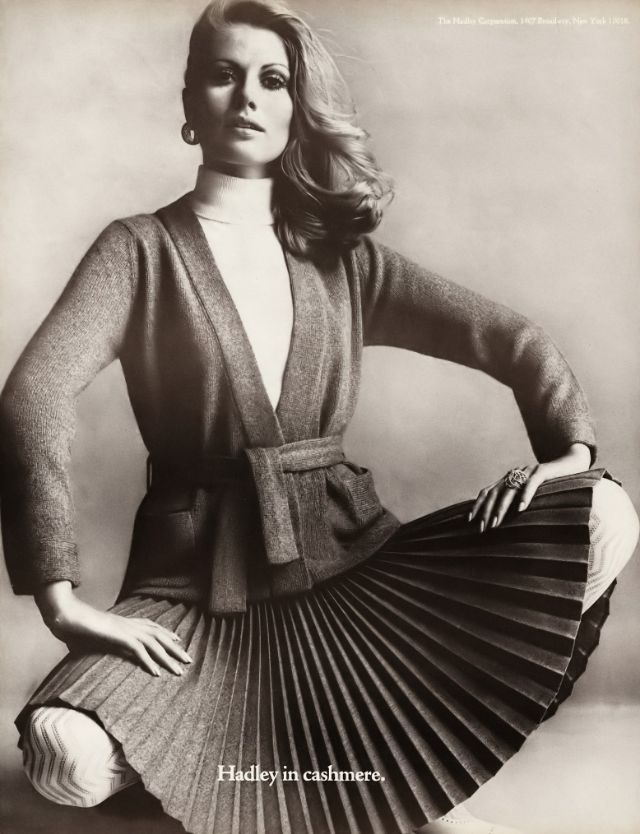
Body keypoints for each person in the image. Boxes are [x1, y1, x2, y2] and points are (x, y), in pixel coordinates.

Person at [0, 2, 637, 833]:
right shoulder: (138, 251)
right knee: (64, 758)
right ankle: (218, 745)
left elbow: (511, 339)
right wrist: (60, 601)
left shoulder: (343, 260)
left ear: (298, 107)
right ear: (189, 101)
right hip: (191, 594)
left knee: (605, 511)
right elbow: (32, 396)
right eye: (223, 76)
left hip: (355, 565)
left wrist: (566, 456)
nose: (247, 97)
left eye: (274, 80)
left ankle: (304, 754)